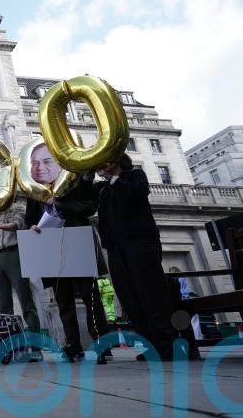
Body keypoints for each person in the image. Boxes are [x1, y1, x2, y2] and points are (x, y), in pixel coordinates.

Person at [81, 154, 180, 361]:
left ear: (119, 160)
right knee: (129, 296)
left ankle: (167, 344)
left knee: (151, 292)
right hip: (116, 248)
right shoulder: (103, 189)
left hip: (139, 242)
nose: (103, 164)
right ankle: (150, 345)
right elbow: (84, 198)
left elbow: (139, 193)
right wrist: (88, 177)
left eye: (107, 159)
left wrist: (113, 179)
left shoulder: (135, 175)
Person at [26, 160, 111, 363]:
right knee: (63, 300)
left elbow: (90, 206)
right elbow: (30, 219)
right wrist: (32, 227)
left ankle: (101, 343)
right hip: (50, 246)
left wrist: (60, 203)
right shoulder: (35, 191)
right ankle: (73, 345)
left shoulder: (74, 182)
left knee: (91, 297)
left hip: (77, 240)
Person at [0, 195, 43, 362]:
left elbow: (18, 223)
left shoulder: (20, 204)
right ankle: (7, 349)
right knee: (4, 305)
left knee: (26, 301)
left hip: (14, 252)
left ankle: (36, 349)